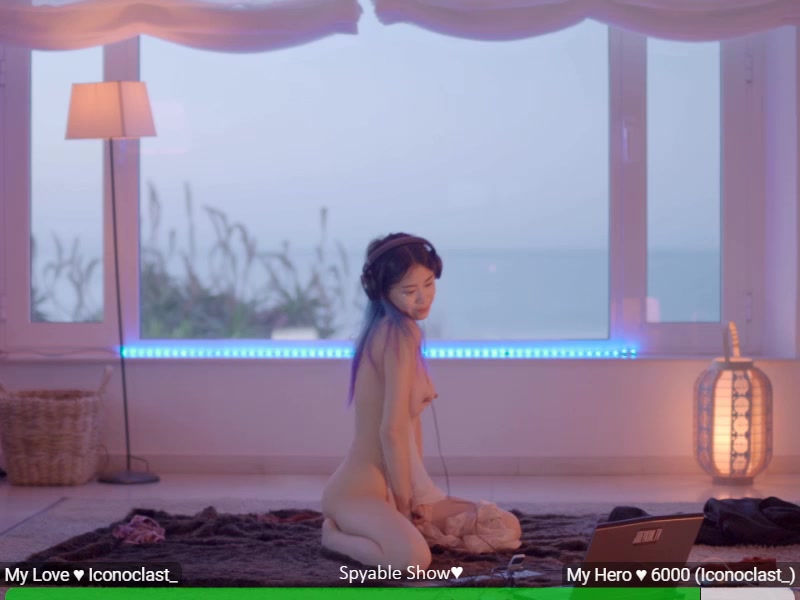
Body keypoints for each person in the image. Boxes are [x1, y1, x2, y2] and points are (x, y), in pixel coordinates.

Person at [321, 233, 521, 570]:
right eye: (409, 291)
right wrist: (404, 508)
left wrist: (421, 500)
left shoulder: (397, 329)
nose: (423, 298)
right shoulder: (398, 333)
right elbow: (391, 431)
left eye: (429, 284)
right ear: (381, 291)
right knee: (412, 560)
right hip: (362, 491)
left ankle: (391, 526)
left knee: (505, 525)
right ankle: (333, 537)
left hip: (410, 485)